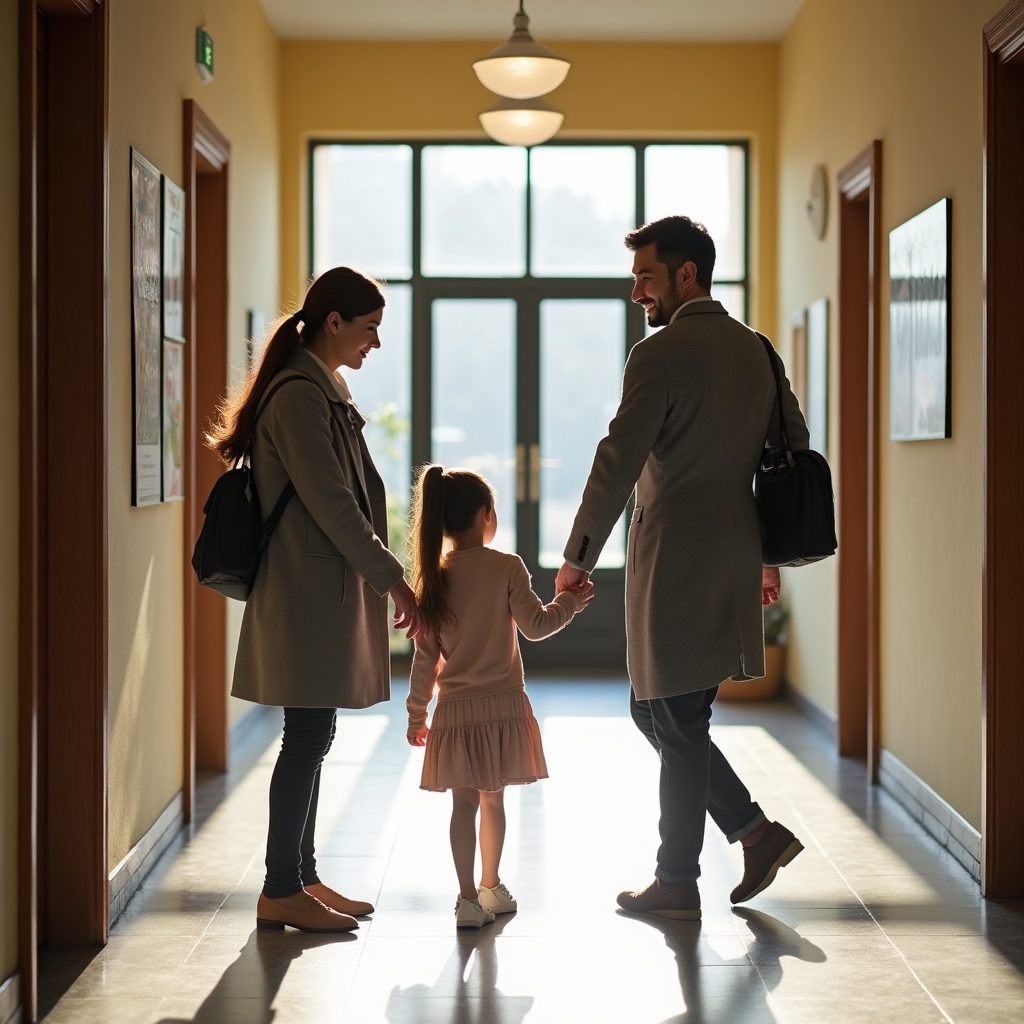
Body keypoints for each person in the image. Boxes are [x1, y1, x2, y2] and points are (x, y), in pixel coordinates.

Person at [555, 216, 809, 921]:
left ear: (686, 274)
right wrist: (765, 550)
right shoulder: (757, 350)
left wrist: (578, 556)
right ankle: (755, 834)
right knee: (661, 708)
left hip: (674, 560)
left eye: (645, 275)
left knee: (674, 712)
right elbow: (792, 445)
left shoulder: (658, 354)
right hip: (732, 548)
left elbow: (618, 459)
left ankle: (677, 879)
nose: (637, 290)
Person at [208, 267, 426, 933]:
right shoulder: (300, 395)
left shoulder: (320, 385)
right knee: (305, 735)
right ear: (334, 322)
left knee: (313, 732)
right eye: (369, 330)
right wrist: (394, 577)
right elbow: (333, 503)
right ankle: (281, 886)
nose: (375, 345)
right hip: (306, 588)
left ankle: (300, 876)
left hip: (318, 585)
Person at [406, 467, 592, 929]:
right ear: (486, 515)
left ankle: (466, 899)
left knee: (462, 806)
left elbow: (425, 661)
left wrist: (416, 715)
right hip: (502, 705)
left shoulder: (433, 577)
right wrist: (570, 602)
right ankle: (491, 886)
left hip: (454, 712)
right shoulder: (507, 566)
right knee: (494, 803)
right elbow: (537, 626)